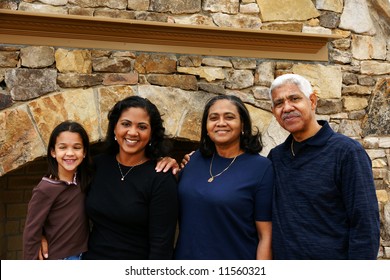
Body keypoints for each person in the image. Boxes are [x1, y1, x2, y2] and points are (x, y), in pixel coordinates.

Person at [268, 73, 380, 259]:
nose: (287, 108)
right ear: (274, 112)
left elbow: (365, 224)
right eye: (279, 103)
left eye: (294, 98)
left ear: (312, 101)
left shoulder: (346, 153)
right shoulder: (276, 157)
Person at [174, 95, 274, 260]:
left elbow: (266, 236)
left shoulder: (261, 168)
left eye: (229, 117)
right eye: (213, 118)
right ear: (206, 127)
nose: (221, 123)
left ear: (243, 124)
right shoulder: (192, 160)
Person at [82, 95, 178, 260]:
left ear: (151, 133)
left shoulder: (161, 178)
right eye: (126, 124)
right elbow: (62, 196)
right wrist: (43, 235)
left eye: (142, 127)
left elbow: (162, 245)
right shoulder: (97, 165)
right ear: (114, 128)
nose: (132, 132)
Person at [23, 121, 93, 260]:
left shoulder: (84, 180)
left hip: (83, 255)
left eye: (77, 147)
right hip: (58, 258)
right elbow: (31, 232)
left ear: (84, 152)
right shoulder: (46, 188)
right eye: (63, 147)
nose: (70, 153)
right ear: (53, 152)